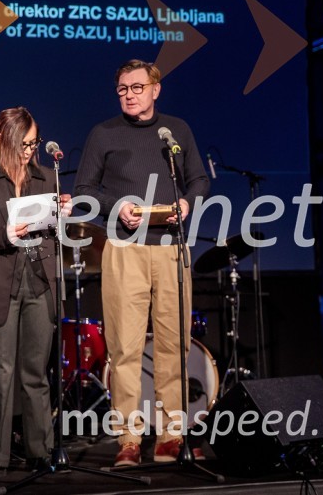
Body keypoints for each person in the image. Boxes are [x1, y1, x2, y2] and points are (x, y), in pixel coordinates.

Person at [74, 59, 210, 466]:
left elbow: (199, 180)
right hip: (124, 248)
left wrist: (187, 203)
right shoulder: (103, 134)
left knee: (173, 345)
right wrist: (119, 207)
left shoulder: (176, 131)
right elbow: (84, 189)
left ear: (155, 89)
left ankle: (172, 435)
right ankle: (129, 440)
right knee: (125, 348)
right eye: (122, 89)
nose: (129, 95)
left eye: (136, 87)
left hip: (170, 248)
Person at [0, 106, 71, 481]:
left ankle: (40, 451)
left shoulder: (43, 178)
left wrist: (60, 215)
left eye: (33, 142)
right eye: (22, 143)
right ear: (0, 139)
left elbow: (52, 235)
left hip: (39, 283)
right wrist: (3, 236)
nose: (29, 151)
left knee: (35, 373)